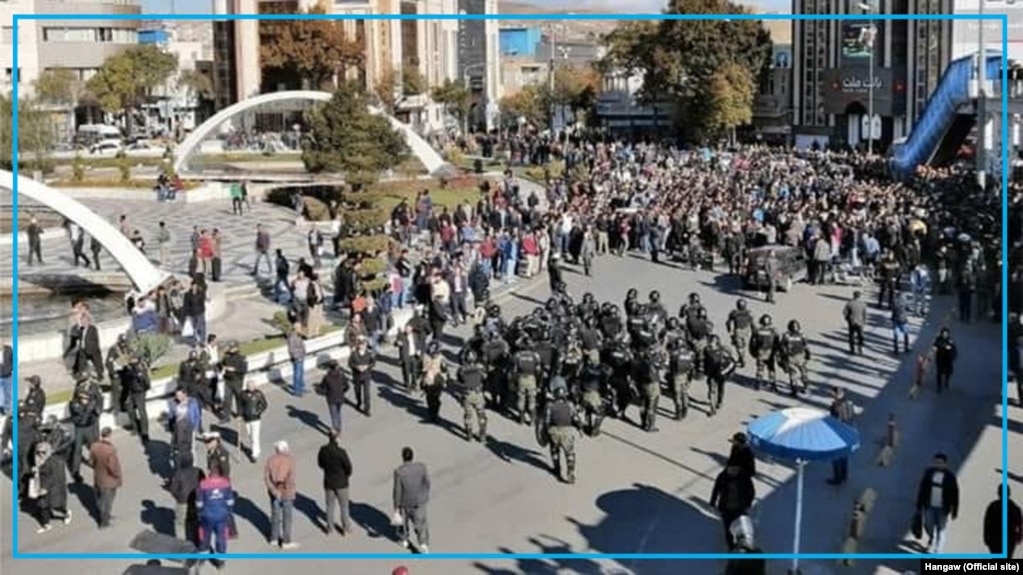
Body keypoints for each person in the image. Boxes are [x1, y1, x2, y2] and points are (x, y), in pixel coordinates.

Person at [915, 452, 960, 554]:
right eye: (936, 462)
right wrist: (919, 504)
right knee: (928, 525)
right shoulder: (929, 473)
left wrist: (955, 510)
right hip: (929, 505)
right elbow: (922, 489)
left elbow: (955, 494)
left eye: (940, 463)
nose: (937, 464)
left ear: (945, 464)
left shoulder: (950, 477)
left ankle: (938, 551)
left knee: (941, 529)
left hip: (943, 508)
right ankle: (932, 538)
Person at [393, 446, 431, 553]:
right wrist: (424, 495)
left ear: (403, 457)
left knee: (403, 523)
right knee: (421, 523)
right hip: (419, 502)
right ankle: (423, 544)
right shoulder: (421, 467)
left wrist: (396, 506)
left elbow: (397, 491)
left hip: (405, 503)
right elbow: (427, 482)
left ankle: (404, 540)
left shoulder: (399, 472)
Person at [196, 465, 235, 568]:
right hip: (222, 516)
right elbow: (230, 501)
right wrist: (229, 513)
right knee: (221, 538)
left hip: (206, 516)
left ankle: (202, 559)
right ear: (219, 473)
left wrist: (199, 514)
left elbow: (199, 503)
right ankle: (220, 561)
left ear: (210, 473)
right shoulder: (226, 483)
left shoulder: (203, 484)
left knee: (204, 537)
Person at [710, 465, 755, 550]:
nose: (733, 471)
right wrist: (712, 503)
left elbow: (751, 491)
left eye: (735, 469)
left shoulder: (744, 477)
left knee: (741, 528)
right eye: (731, 469)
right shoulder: (722, 477)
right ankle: (731, 548)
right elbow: (716, 489)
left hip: (740, 508)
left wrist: (748, 503)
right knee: (728, 529)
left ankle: (743, 546)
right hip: (726, 508)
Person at [317, 431, 354, 536]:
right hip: (342, 483)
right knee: (344, 506)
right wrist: (346, 474)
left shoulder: (323, 450)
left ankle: (329, 528)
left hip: (328, 481)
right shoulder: (341, 452)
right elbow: (348, 467)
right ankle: (346, 528)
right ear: (336, 438)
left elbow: (320, 464)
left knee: (330, 506)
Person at [30, 441, 71, 533]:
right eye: (38, 452)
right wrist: (36, 470)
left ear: (48, 451)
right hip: (45, 487)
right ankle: (46, 524)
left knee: (56, 505)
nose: (40, 454)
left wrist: (45, 488)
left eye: (43, 452)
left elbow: (52, 477)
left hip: (52, 488)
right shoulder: (43, 460)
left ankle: (66, 513)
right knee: (43, 505)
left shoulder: (52, 463)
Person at [265, 440, 299, 549]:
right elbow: (290, 477)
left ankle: (274, 538)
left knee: (275, 515)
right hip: (287, 492)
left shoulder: (270, 460)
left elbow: (266, 477)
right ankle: (286, 541)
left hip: (274, 492)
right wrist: (285, 488)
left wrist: (273, 490)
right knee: (287, 517)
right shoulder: (289, 460)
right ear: (284, 449)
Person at [544, 386, 579, 484]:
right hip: (567, 431)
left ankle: (557, 470)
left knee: (554, 451)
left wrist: (546, 432)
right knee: (570, 453)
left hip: (554, 430)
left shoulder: (549, 406)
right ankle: (570, 472)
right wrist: (579, 428)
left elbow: (546, 421)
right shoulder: (570, 405)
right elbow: (576, 418)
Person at [89, 427, 122, 528]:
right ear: (110, 435)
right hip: (109, 480)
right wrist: (117, 476)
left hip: (98, 477)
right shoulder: (111, 450)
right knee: (107, 502)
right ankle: (104, 521)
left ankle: (105, 516)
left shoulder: (94, 446)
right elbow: (113, 467)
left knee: (100, 499)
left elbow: (91, 462)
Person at [169, 452, 204, 544]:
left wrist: (178, 497)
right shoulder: (198, 470)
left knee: (179, 523)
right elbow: (205, 484)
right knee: (195, 521)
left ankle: (182, 546)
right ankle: (197, 541)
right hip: (196, 500)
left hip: (182, 501)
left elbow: (173, 489)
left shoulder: (179, 473)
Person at [983, 484, 1022, 558]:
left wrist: (986, 537)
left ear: (998, 493)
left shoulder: (992, 506)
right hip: (1009, 540)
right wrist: (1019, 536)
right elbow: (1019, 524)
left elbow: (987, 523)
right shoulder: (1015, 508)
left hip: (994, 540)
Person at [457, 350, 487, 442]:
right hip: (478, 393)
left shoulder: (462, 369)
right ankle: (482, 436)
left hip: (467, 394)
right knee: (481, 415)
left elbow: (460, 380)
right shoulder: (480, 367)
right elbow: (485, 377)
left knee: (468, 415)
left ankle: (469, 435)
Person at [827, 386, 855, 485]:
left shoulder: (835, 406)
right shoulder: (850, 403)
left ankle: (837, 479)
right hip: (848, 432)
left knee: (836, 457)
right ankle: (844, 475)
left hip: (838, 435)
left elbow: (834, 421)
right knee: (844, 456)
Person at [239, 380, 268, 461]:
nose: (250, 387)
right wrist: (240, 415)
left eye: (252, 386)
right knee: (250, 436)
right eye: (248, 386)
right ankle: (257, 449)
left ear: (254, 386)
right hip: (247, 419)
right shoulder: (242, 394)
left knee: (255, 436)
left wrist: (258, 412)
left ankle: (254, 454)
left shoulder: (259, 394)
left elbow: (264, 405)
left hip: (256, 419)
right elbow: (240, 405)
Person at [348, 337, 376, 416]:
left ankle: (367, 409)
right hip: (357, 376)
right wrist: (357, 367)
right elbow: (350, 363)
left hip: (366, 375)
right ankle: (359, 402)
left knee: (366, 394)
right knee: (357, 391)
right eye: (361, 345)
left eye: (364, 345)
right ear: (359, 345)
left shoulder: (369, 353)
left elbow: (373, 363)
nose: (362, 346)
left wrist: (367, 366)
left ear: (366, 345)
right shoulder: (354, 354)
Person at [321, 361, 349, 436]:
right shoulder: (341, 375)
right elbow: (347, 386)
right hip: (340, 396)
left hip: (331, 397)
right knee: (338, 413)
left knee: (333, 414)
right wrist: (343, 391)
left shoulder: (326, 377)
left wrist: (326, 392)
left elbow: (322, 387)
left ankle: (335, 430)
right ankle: (339, 429)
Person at [933, 327, 958, 392]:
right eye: (944, 333)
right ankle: (939, 386)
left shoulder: (950, 340)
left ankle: (946, 382)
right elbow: (935, 345)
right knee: (939, 373)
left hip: (947, 359)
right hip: (940, 358)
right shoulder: (938, 339)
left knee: (948, 372)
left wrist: (953, 355)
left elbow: (953, 348)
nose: (945, 335)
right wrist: (935, 348)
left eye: (946, 334)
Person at [843, 291, 868, 355]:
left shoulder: (849, 303)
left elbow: (845, 313)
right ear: (859, 296)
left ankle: (852, 349)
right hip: (860, 322)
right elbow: (865, 314)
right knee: (860, 336)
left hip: (852, 322)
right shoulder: (863, 304)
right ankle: (860, 348)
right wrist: (864, 321)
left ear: (853, 295)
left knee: (851, 336)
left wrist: (847, 319)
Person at [287, 324, 307, 396]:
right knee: (297, 374)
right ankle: (297, 391)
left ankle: (301, 387)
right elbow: (291, 349)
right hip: (297, 357)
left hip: (301, 356)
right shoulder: (292, 337)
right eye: (299, 328)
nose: (301, 329)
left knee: (301, 373)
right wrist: (297, 356)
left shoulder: (298, 335)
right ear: (296, 328)